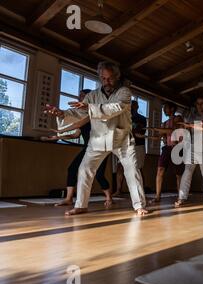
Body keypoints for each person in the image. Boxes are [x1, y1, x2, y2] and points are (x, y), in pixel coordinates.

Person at [44, 61, 148, 216]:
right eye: (104, 78)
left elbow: (116, 108)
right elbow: (80, 113)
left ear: (117, 77)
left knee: (132, 170)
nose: (107, 82)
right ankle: (81, 205)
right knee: (85, 170)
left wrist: (90, 108)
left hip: (121, 139)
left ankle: (139, 205)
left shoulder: (124, 92)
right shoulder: (92, 95)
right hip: (97, 139)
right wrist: (62, 114)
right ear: (100, 77)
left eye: (110, 78)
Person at [41, 89, 113, 208]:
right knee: (72, 169)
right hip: (88, 147)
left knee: (99, 174)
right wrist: (56, 138)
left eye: (82, 96)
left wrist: (59, 131)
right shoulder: (81, 115)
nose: (80, 98)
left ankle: (109, 198)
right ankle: (69, 198)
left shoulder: (94, 113)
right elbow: (76, 134)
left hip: (100, 147)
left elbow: (77, 124)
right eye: (79, 96)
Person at [175, 96, 203, 207]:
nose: (200, 105)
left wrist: (191, 124)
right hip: (193, 147)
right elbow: (186, 130)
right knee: (187, 171)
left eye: (202, 103)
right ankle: (181, 197)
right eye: (198, 103)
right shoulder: (191, 117)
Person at [146, 102, 184, 203]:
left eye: (166, 108)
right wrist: (147, 136)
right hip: (166, 148)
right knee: (160, 170)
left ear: (172, 108)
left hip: (177, 148)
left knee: (178, 174)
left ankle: (180, 197)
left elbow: (172, 130)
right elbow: (160, 137)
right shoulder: (164, 123)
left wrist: (156, 128)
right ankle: (158, 196)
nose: (164, 110)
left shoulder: (178, 118)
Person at [113, 100, 147, 196]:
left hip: (138, 145)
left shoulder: (141, 118)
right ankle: (118, 190)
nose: (131, 107)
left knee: (138, 169)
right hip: (124, 146)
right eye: (130, 105)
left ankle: (141, 191)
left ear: (137, 107)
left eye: (133, 105)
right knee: (119, 167)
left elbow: (139, 132)